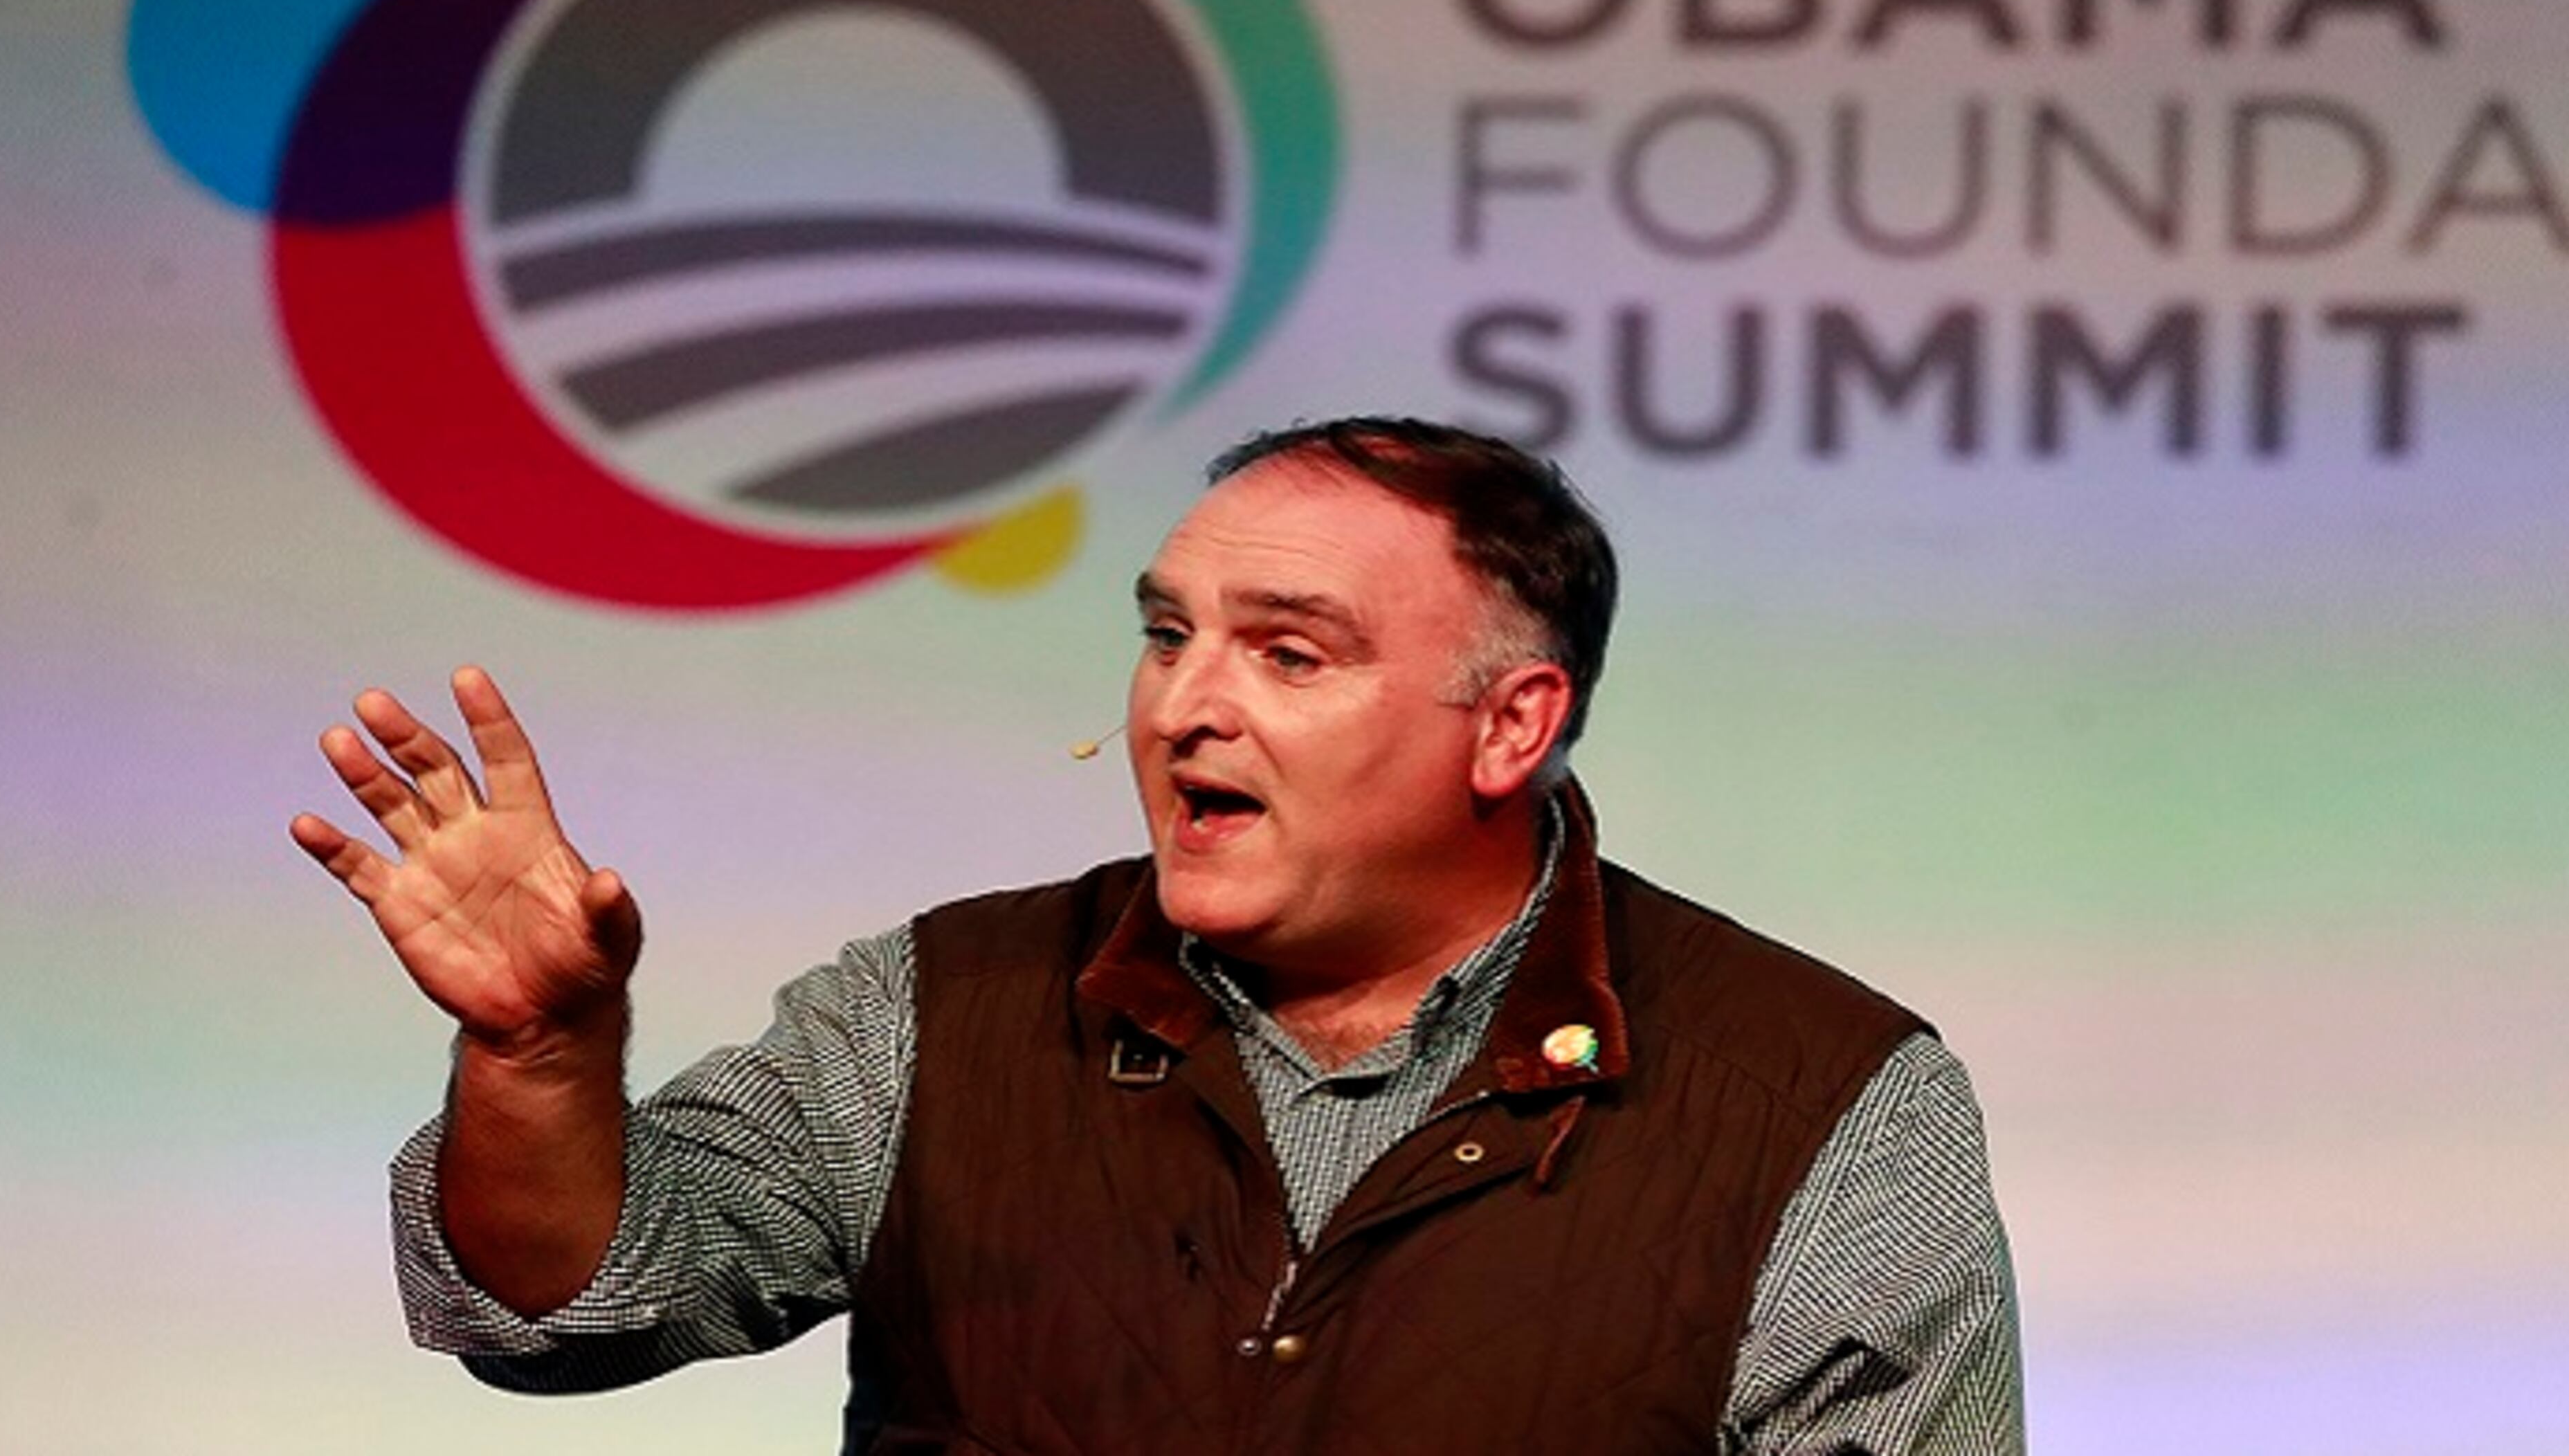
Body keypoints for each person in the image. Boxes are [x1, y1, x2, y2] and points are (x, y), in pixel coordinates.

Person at [293, 417, 2023, 1453]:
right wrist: (536, 1058)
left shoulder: (1820, 1099)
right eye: (1167, 634)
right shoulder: (941, 1011)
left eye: (1289, 654)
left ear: (1510, 727)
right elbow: (567, 1310)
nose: (1184, 706)